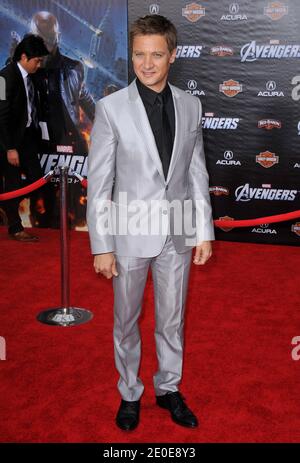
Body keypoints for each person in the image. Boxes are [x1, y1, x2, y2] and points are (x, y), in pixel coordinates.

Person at [87, 15, 214, 431]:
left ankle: (169, 388)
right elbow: (101, 182)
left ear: (172, 55)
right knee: (126, 320)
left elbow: (197, 173)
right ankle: (129, 391)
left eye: (156, 54)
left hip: (177, 231)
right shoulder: (110, 109)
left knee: (172, 319)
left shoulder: (191, 105)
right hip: (126, 234)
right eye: (140, 54)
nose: (146, 63)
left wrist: (204, 232)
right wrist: (101, 245)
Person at [0, 34, 49, 241]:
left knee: (37, 179)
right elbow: (0, 116)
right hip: (8, 141)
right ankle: (15, 227)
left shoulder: (32, 78)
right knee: (12, 183)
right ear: (23, 56)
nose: (39, 65)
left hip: (27, 137)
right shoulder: (3, 78)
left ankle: (5, 206)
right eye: (37, 60)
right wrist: (10, 148)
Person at [30, 11, 95, 154]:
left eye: (49, 37)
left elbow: (86, 101)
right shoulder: (21, 72)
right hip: (34, 146)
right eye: (40, 38)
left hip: (69, 145)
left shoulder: (74, 69)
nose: (46, 44)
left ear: (58, 37)